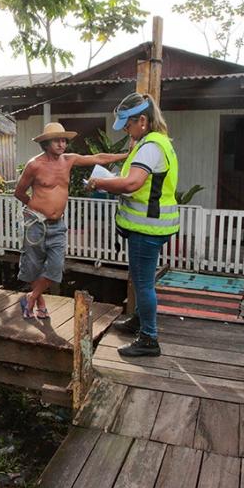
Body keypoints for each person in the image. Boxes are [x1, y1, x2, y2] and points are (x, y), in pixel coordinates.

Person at [87, 93, 179, 357]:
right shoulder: (158, 142)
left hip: (146, 228)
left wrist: (99, 183)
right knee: (143, 280)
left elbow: (131, 183)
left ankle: (149, 338)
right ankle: (139, 321)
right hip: (154, 224)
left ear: (143, 120)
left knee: (143, 284)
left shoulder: (150, 146)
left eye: (127, 124)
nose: (126, 129)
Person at [14, 122, 128, 320]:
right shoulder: (35, 165)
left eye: (64, 140)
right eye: (57, 140)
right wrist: (36, 209)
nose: (62, 144)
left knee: (56, 267)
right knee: (33, 266)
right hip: (36, 225)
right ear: (46, 143)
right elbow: (19, 192)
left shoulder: (68, 160)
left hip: (57, 225)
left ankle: (31, 297)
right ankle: (39, 304)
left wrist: (127, 155)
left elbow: (99, 158)